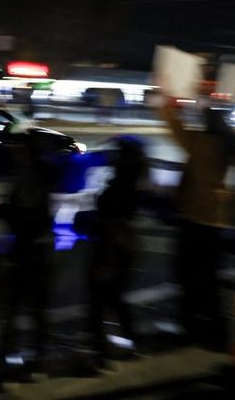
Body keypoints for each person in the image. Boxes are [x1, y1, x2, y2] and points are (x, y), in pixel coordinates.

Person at [159, 97, 235, 350]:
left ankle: (190, 328)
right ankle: (216, 331)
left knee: (187, 275)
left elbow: (177, 131)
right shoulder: (232, 145)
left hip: (197, 219)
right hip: (220, 221)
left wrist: (167, 106)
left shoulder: (205, 144)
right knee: (210, 279)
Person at [0, 132, 55, 373]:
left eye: (19, 147)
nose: (14, 151)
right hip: (37, 250)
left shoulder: (29, 176)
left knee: (15, 307)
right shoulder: (38, 173)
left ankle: (14, 359)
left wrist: (5, 211)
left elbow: (28, 216)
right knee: (35, 310)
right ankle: (34, 356)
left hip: (26, 250)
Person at [87, 136, 147, 361]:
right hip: (122, 246)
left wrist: (105, 261)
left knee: (99, 298)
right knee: (115, 298)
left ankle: (99, 348)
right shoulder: (131, 183)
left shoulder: (120, 188)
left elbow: (113, 225)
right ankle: (131, 343)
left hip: (110, 247)